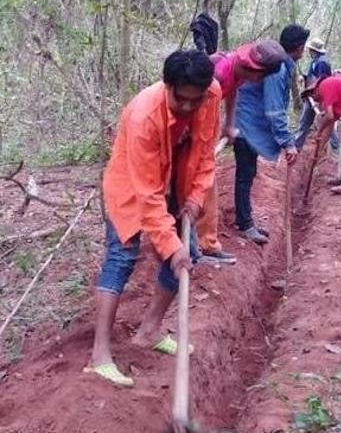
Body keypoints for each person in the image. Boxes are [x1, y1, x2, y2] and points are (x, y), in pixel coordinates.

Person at [85, 50, 221, 387]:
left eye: (196, 100)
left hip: (176, 179)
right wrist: (170, 248)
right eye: (181, 99)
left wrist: (193, 198)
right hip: (132, 184)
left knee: (187, 247)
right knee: (122, 255)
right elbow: (147, 196)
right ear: (167, 86)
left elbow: (205, 155)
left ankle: (149, 330)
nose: (189, 107)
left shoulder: (212, 94)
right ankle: (99, 354)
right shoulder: (144, 116)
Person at [196, 41, 286, 264]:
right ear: (254, 71)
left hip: (204, 128)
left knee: (206, 185)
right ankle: (198, 247)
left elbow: (233, 92)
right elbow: (193, 111)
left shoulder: (238, 71)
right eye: (260, 77)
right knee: (200, 187)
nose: (257, 82)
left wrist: (229, 124)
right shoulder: (216, 75)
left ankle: (203, 243)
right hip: (190, 129)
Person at [233, 25, 309, 244]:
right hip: (247, 125)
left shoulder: (279, 64)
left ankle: (246, 221)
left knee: (248, 173)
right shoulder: (278, 70)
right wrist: (288, 142)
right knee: (245, 175)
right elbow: (275, 111)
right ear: (300, 48)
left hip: (249, 122)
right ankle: (245, 224)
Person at [294, 38, 334, 150]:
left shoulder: (322, 63)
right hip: (311, 95)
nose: (308, 51)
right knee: (305, 121)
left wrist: (317, 97)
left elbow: (323, 80)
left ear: (314, 50)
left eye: (310, 49)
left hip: (319, 97)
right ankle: (297, 145)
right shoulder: (314, 61)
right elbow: (312, 76)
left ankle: (335, 146)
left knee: (324, 120)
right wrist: (304, 78)